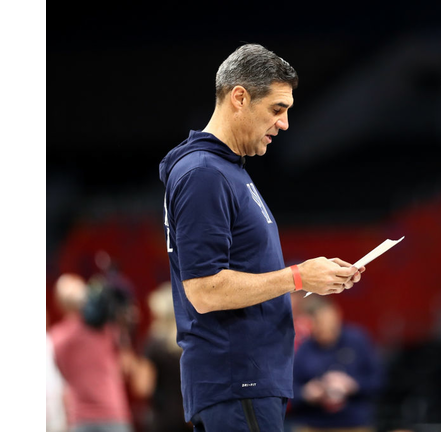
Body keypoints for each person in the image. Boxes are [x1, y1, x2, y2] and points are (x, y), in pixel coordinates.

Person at [158, 43, 365, 432]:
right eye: (277, 109)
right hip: (237, 382)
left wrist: (312, 278)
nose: (284, 123)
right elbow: (204, 290)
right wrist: (298, 277)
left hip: (245, 383)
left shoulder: (225, 170)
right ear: (239, 97)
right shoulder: (205, 174)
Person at [48, 273, 134, 432]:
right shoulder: (106, 330)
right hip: (112, 412)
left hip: (81, 416)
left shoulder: (57, 338)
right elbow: (126, 366)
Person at [288, 296, 384, 432]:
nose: (324, 328)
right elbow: (289, 390)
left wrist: (352, 385)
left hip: (354, 424)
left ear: (336, 315)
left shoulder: (357, 340)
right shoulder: (304, 347)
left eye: (326, 321)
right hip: (312, 424)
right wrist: (307, 392)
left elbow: (378, 381)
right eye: (318, 324)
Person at [127, 282, 193, 432]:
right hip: (192, 418)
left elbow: (143, 388)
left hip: (164, 420)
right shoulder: (191, 340)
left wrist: (133, 366)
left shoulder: (155, 343)